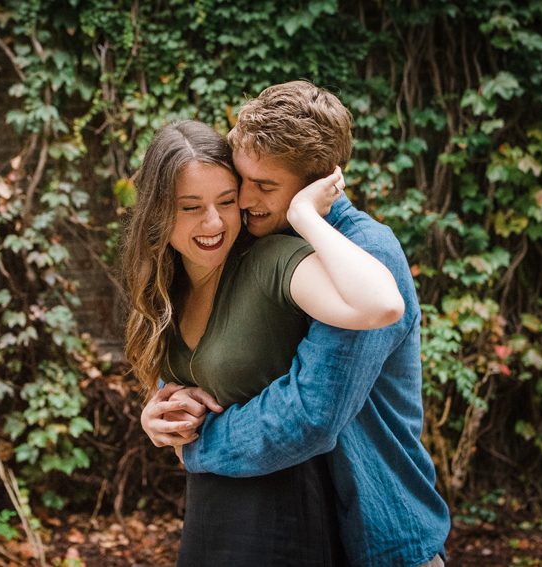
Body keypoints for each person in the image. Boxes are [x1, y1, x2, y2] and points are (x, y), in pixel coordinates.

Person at [142, 82, 451, 567]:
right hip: (301, 532)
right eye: (243, 180)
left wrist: (200, 447)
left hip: (380, 538)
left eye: (265, 187)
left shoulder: (365, 253)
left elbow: (311, 414)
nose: (243, 200)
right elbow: (232, 352)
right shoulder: (259, 240)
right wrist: (165, 407)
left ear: (319, 182)